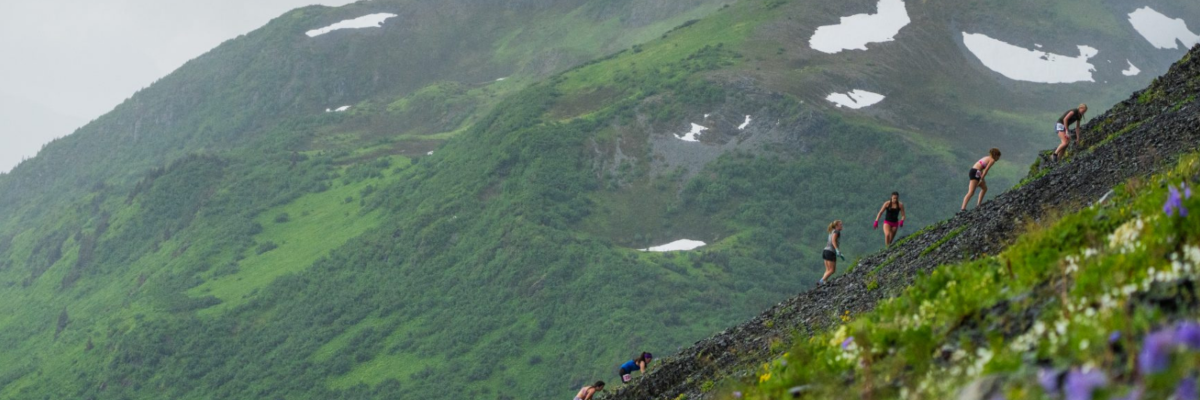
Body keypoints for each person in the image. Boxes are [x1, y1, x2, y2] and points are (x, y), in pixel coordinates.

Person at [820, 220, 844, 285]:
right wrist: (837, 250)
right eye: (840, 224)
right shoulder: (836, 232)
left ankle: (824, 282)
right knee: (832, 270)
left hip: (825, 251)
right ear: (836, 226)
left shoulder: (831, 231)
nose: (842, 226)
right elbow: (833, 241)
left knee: (828, 270)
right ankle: (821, 281)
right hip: (830, 252)